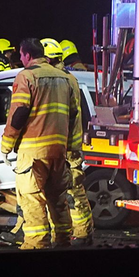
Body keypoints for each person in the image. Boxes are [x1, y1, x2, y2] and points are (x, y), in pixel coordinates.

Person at [0, 38, 77, 250]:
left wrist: (7, 145)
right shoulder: (64, 78)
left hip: (33, 152)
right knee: (57, 198)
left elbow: (19, 112)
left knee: (32, 199)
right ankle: (63, 241)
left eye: (21, 56)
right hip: (58, 150)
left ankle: (37, 245)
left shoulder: (27, 76)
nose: (21, 60)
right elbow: (73, 114)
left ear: (26, 55)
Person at [41, 38, 94, 245]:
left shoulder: (58, 79)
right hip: (67, 143)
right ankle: (77, 234)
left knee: (70, 192)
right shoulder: (67, 78)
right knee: (69, 191)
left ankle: (78, 234)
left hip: (63, 144)